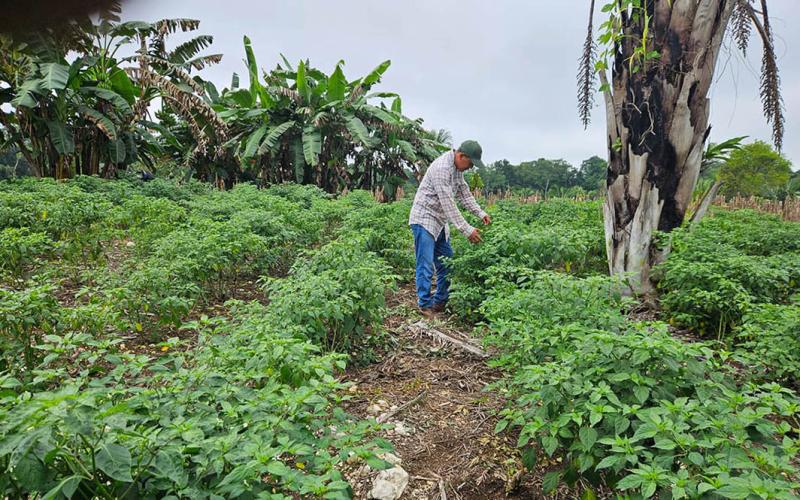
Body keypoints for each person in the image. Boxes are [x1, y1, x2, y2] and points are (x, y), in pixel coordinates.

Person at [408, 140, 491, 319]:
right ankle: (424, 305)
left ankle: (439, 302)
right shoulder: (442, 169)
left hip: (439, 221)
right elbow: (448, 204)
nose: (470, 168)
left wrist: (480, 213)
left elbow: (464, 194)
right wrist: (467, 230)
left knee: (447, 263)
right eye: (470, 164)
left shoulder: (456, 169)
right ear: (461, 156)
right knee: (425, 264)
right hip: (424, 218)